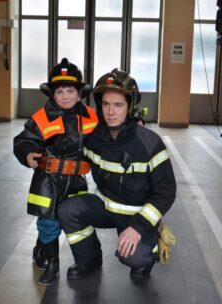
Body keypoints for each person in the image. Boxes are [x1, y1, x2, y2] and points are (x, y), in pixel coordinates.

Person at [57, 68, 177, 279]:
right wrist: (31, 150)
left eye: (118, 105)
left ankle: (149, 252)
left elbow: (166, 192)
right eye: (106, 104)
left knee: (135, 258)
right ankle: (89, 260)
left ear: (130, 107)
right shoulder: (93, 138)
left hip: (137, 216)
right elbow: (68, 154)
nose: (110, 112)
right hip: (106, 206)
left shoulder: (149, 143)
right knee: (68, 209)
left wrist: (137, 228)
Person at [13, 58, 98, 285]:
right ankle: (53, 263)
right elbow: (23, 140)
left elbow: (107, 136)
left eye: (71, 90)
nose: (66, 96)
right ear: (52, 93)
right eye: (60, 91)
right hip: (46, 181)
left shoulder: (91, 116)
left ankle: (44, 248)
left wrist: (132, 125)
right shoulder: (41, 117)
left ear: (80, 93)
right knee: (48, 223)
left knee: (72, 219)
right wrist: (28, 152)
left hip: (75, 180)